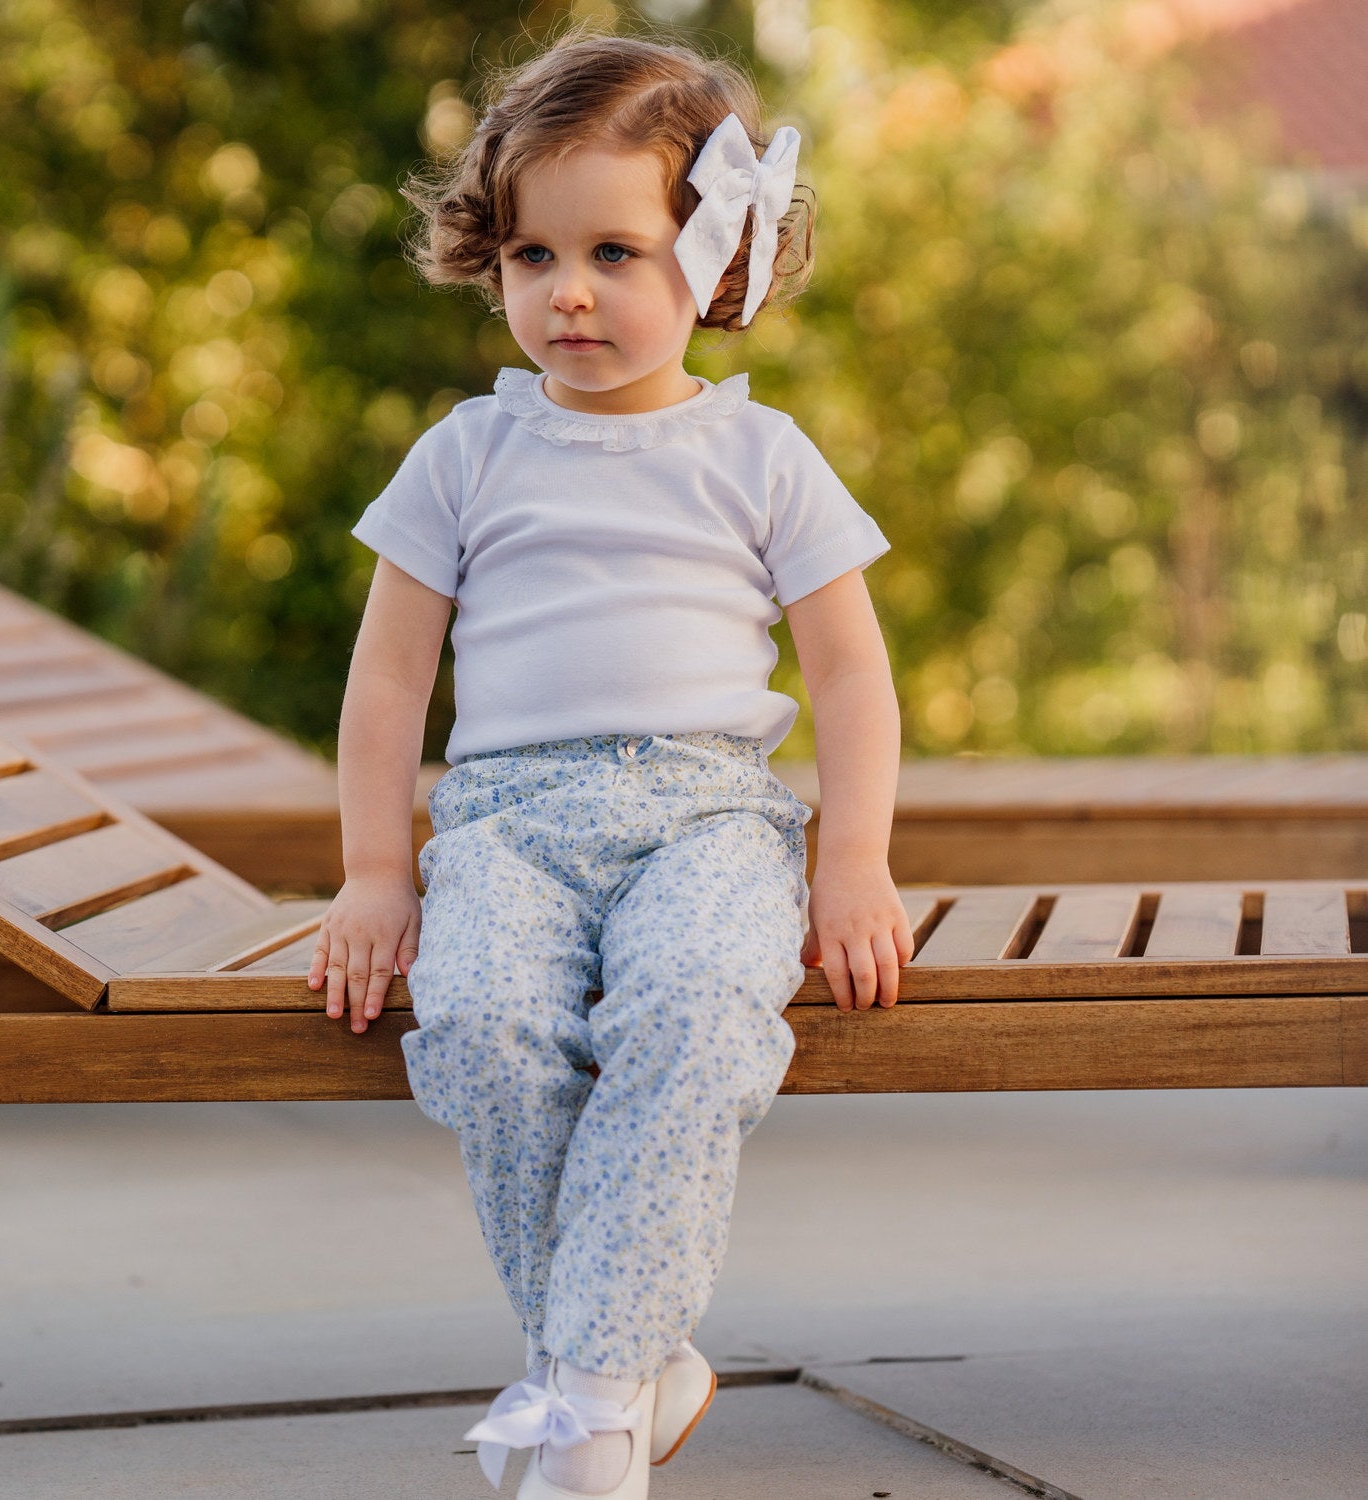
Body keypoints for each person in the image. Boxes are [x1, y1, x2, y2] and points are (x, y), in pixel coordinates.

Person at [308, 23, 914, 1500]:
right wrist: (378, 874)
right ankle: (632, 1362)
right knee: (479, 1027)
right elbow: (390, 679)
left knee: (700, 1011)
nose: (566, 290)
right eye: (531, 256)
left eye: (617, 254)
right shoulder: (464, 454)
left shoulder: (762, 458)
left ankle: (583, 1402)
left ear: (716, 264)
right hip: (508, 825)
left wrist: (854, 864)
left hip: (706, 815)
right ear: (494, 261)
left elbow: (851, 671)